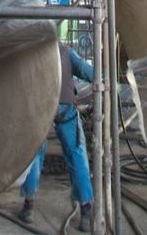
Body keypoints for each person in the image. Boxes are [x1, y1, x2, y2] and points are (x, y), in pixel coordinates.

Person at [18, 43, 94, 232]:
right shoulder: (66, 51)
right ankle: (85, 208)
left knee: (33, 154)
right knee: (76, 152)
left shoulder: (30, 50)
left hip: (40, 106)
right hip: (65, 106)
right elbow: (90, 73)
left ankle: (28, 205)